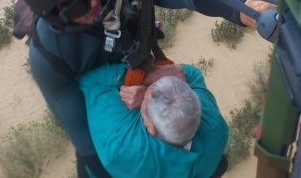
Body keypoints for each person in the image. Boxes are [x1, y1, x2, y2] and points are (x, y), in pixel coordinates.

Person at [14, 0, 274, 177]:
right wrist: (144, 79)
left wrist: (239, 9)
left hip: (141, 81)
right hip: (104, 104)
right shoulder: (48, 56)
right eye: (79, 6)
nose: (94, 2)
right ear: (58, 19)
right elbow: (83, 134)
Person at [79, 62, 229, 178]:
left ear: (150, 127)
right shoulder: (214, 125)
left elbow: (89, 81)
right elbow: (192, 74)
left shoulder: (122, 144)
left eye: (143, 101)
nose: (143, 96)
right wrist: (147, 91)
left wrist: (143, 77)